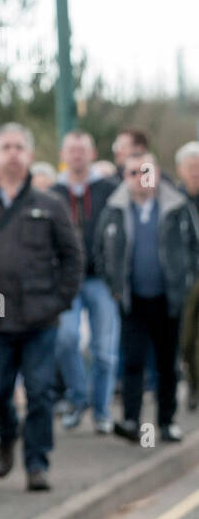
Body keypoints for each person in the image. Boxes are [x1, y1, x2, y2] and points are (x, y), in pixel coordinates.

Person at [0, 123, 82, 491]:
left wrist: (61, 300)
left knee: (40, 392)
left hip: (40, 314)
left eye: (19, 147)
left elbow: (72, 258)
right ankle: (7, 436)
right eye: (5, 146)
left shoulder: (49, 205)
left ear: (30, 155)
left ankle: (37, 463)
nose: (12, 153)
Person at [96, 151, 199, 444]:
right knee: (133, 362)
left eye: (146, 172)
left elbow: (194, 246)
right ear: (125, 178)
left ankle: (165, 423)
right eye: (132, 173)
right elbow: (100, 252)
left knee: (167, 364)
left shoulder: (176, 206)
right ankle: (132, 421)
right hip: (132, 300)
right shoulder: (115, 209)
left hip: (168, 299)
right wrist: (114, 285)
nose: (140, 179)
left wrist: (186, 280)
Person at [50, 130, 120, 434]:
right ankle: (78, 399)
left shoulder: (110, 190)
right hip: (66, 281)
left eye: (82, 150)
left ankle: (102, 411)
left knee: (104, 349)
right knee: (66, 339)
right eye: (71, 150)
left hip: (101, 280)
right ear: (63, 155)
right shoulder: (52, 193)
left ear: (92, 154)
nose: (77, 155)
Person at [175, 142, 199, 414]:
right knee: (186, 337)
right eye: (191, 167)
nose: (195, 172)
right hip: (184, 277)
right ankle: (192, 382)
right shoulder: (175, 201)